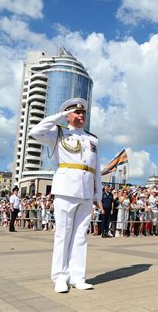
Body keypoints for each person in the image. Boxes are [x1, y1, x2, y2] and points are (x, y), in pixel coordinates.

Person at [29, 97, 102, 293]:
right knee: (63, 234)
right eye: (77, 112)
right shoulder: (57, 133)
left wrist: (98, 194)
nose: (81, 115)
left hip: (86, 191)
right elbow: (34, 132)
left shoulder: (92, 139)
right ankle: (60, 277)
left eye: (83, 113)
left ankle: (78, 276)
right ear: (67, 116)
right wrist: (59, 117)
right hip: (66, 189)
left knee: (80, 236)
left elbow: (96, 168)